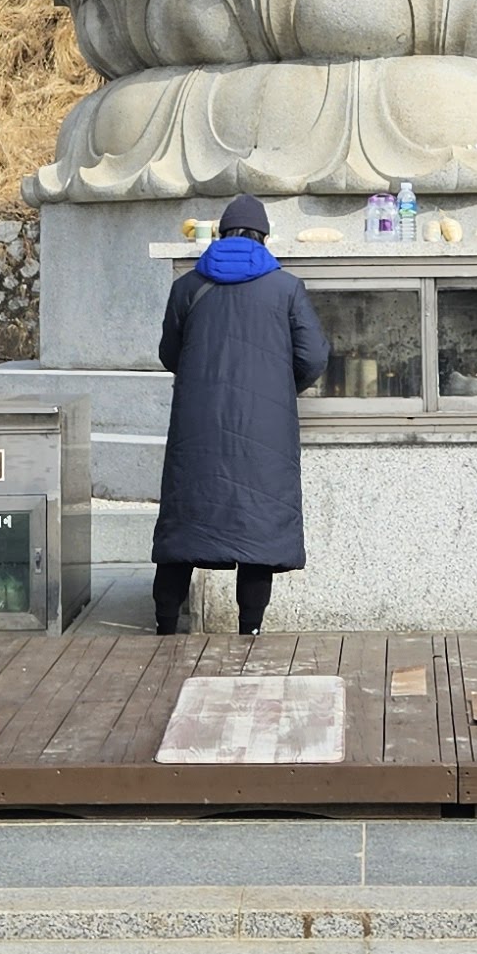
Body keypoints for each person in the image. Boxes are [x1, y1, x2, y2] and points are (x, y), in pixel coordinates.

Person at [153, 192, 328, 635]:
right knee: (258, 527)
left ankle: (165, 626)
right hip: (265, 430)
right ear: (264, 239)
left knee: (184, 528)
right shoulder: (286, 287)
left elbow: (169, 354)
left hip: (198, 427)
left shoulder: (188, 287)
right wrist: (278, 386)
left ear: (221, 235)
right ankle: (249, 628)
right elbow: (314, 357)